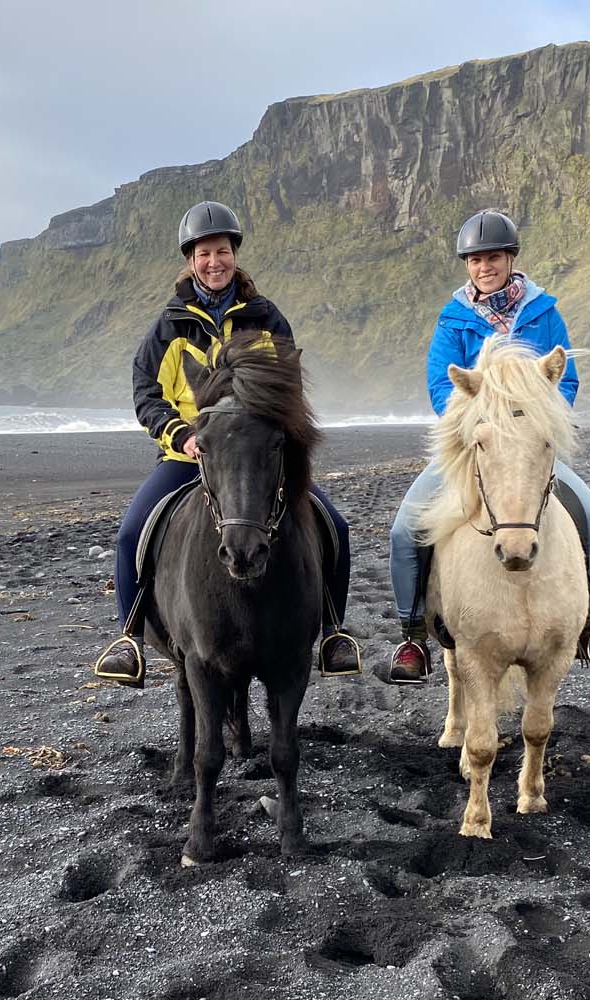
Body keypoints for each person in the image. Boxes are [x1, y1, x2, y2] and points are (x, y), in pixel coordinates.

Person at [93, 200, 360, 686]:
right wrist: (183, 435)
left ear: (234, 254)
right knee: (132, 532)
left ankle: (333, 634)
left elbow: (288, 390)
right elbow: (146, 393)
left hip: (256, 457)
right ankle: (129, 637)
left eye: (222, 251)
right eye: (203, 254)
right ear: (190, 260)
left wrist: (270, 432)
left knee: (333, 525)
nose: (213, 262)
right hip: (188, 456)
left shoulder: (266, 318)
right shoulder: (168, 326)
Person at [385, 209, 590, 685]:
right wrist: (482, 419)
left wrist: (534, 421)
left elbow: (566, 377)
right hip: (473, 446)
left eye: (493, 257)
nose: (485, 267)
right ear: (467, 265)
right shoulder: (454, 320)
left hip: (531, 448)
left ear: (510, 258)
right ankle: (413, 633)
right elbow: (443, 384)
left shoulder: (544, 314)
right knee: (404, 530)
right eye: (476, 260)